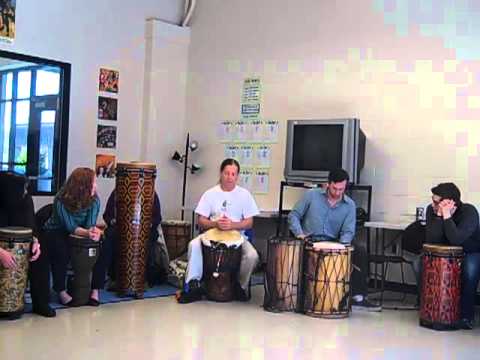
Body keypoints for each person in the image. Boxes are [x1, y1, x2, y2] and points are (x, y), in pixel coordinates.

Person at [288, 168, 380, 311]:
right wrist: (299, 233)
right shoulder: (311, 195)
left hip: (334, 241)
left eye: (341, 189)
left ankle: (358, 297)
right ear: (328, 184)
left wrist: (341, 247)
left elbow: (348, 231)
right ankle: (296, 293)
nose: (337, 192)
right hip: (309, 240)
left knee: (360, 249)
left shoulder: (349, 205)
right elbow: (294, 215)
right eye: (334, 188)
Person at [177, 158, 259, 303]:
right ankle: (193, 284)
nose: (230, 177)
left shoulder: (244, 195)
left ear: (237, 176)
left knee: (252, 255)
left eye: (233, 174)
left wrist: (232, 225)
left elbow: (249, 222)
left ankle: (239, 286)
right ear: (221, 173)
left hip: (237, 237)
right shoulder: (210, 194)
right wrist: (215, 224)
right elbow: (201, 221)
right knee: (193, 245)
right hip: (211, 235)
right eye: (227, 173)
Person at [42, 167, 106, 306]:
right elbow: (70, 227)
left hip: (81, 231)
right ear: (82, 185)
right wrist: (88, 233)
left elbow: (90, 224)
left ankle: (95, 290)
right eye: (94, 182)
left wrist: (94, 233)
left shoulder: (95, 200)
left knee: (102, 246)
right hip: (57, 231)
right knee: (61, 250)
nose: (96, 185)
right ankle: (61, 291)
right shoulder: (60, 199)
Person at [422, 182, 480, 330]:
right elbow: (432, 238)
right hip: (445, 254)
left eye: (436, 202)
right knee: (419, 264)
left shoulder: (469, 212)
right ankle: (431, 310)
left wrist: (447, 217)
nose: (433, 204)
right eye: (433, 200)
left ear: (450, 202)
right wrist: (439, 216)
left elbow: (456, 239)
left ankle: (466, 316)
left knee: (469, 271)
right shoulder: (432, 210)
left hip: (470, 251)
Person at [0, 171, 55, 319]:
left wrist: (35, 242)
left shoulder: (25, 200)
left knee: (40, 254)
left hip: (20, 243)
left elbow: (31, 226)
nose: (25, 192)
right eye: (22, 188)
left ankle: (41, 303)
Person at [102, 189, 169, 287]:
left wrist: (145, 225)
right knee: (112, 235)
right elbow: (107, 215)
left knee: (149, 237)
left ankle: (142, 278)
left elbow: (157, 218)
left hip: (144, 229)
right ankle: (116, 278)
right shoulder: (118, 191)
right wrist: (117, 222)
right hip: (121, 229)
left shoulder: (151, 193)